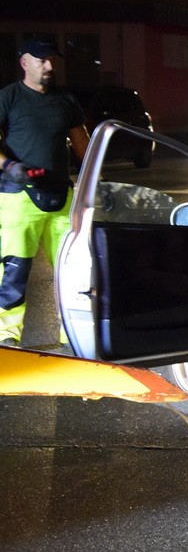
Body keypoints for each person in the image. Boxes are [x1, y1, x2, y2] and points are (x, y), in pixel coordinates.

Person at [0, 39, 89, 346]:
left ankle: (73, 337)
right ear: (24, 62)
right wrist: (9, 166)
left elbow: (82, 145)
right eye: (42, 60)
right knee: (14, 269)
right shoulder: (8, 98)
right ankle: (7, 337)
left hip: (62, 198)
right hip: (18, 197)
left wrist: (95, 179)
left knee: (73, 272)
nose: (49, 66)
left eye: (52, 59)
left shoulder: (65, 100)